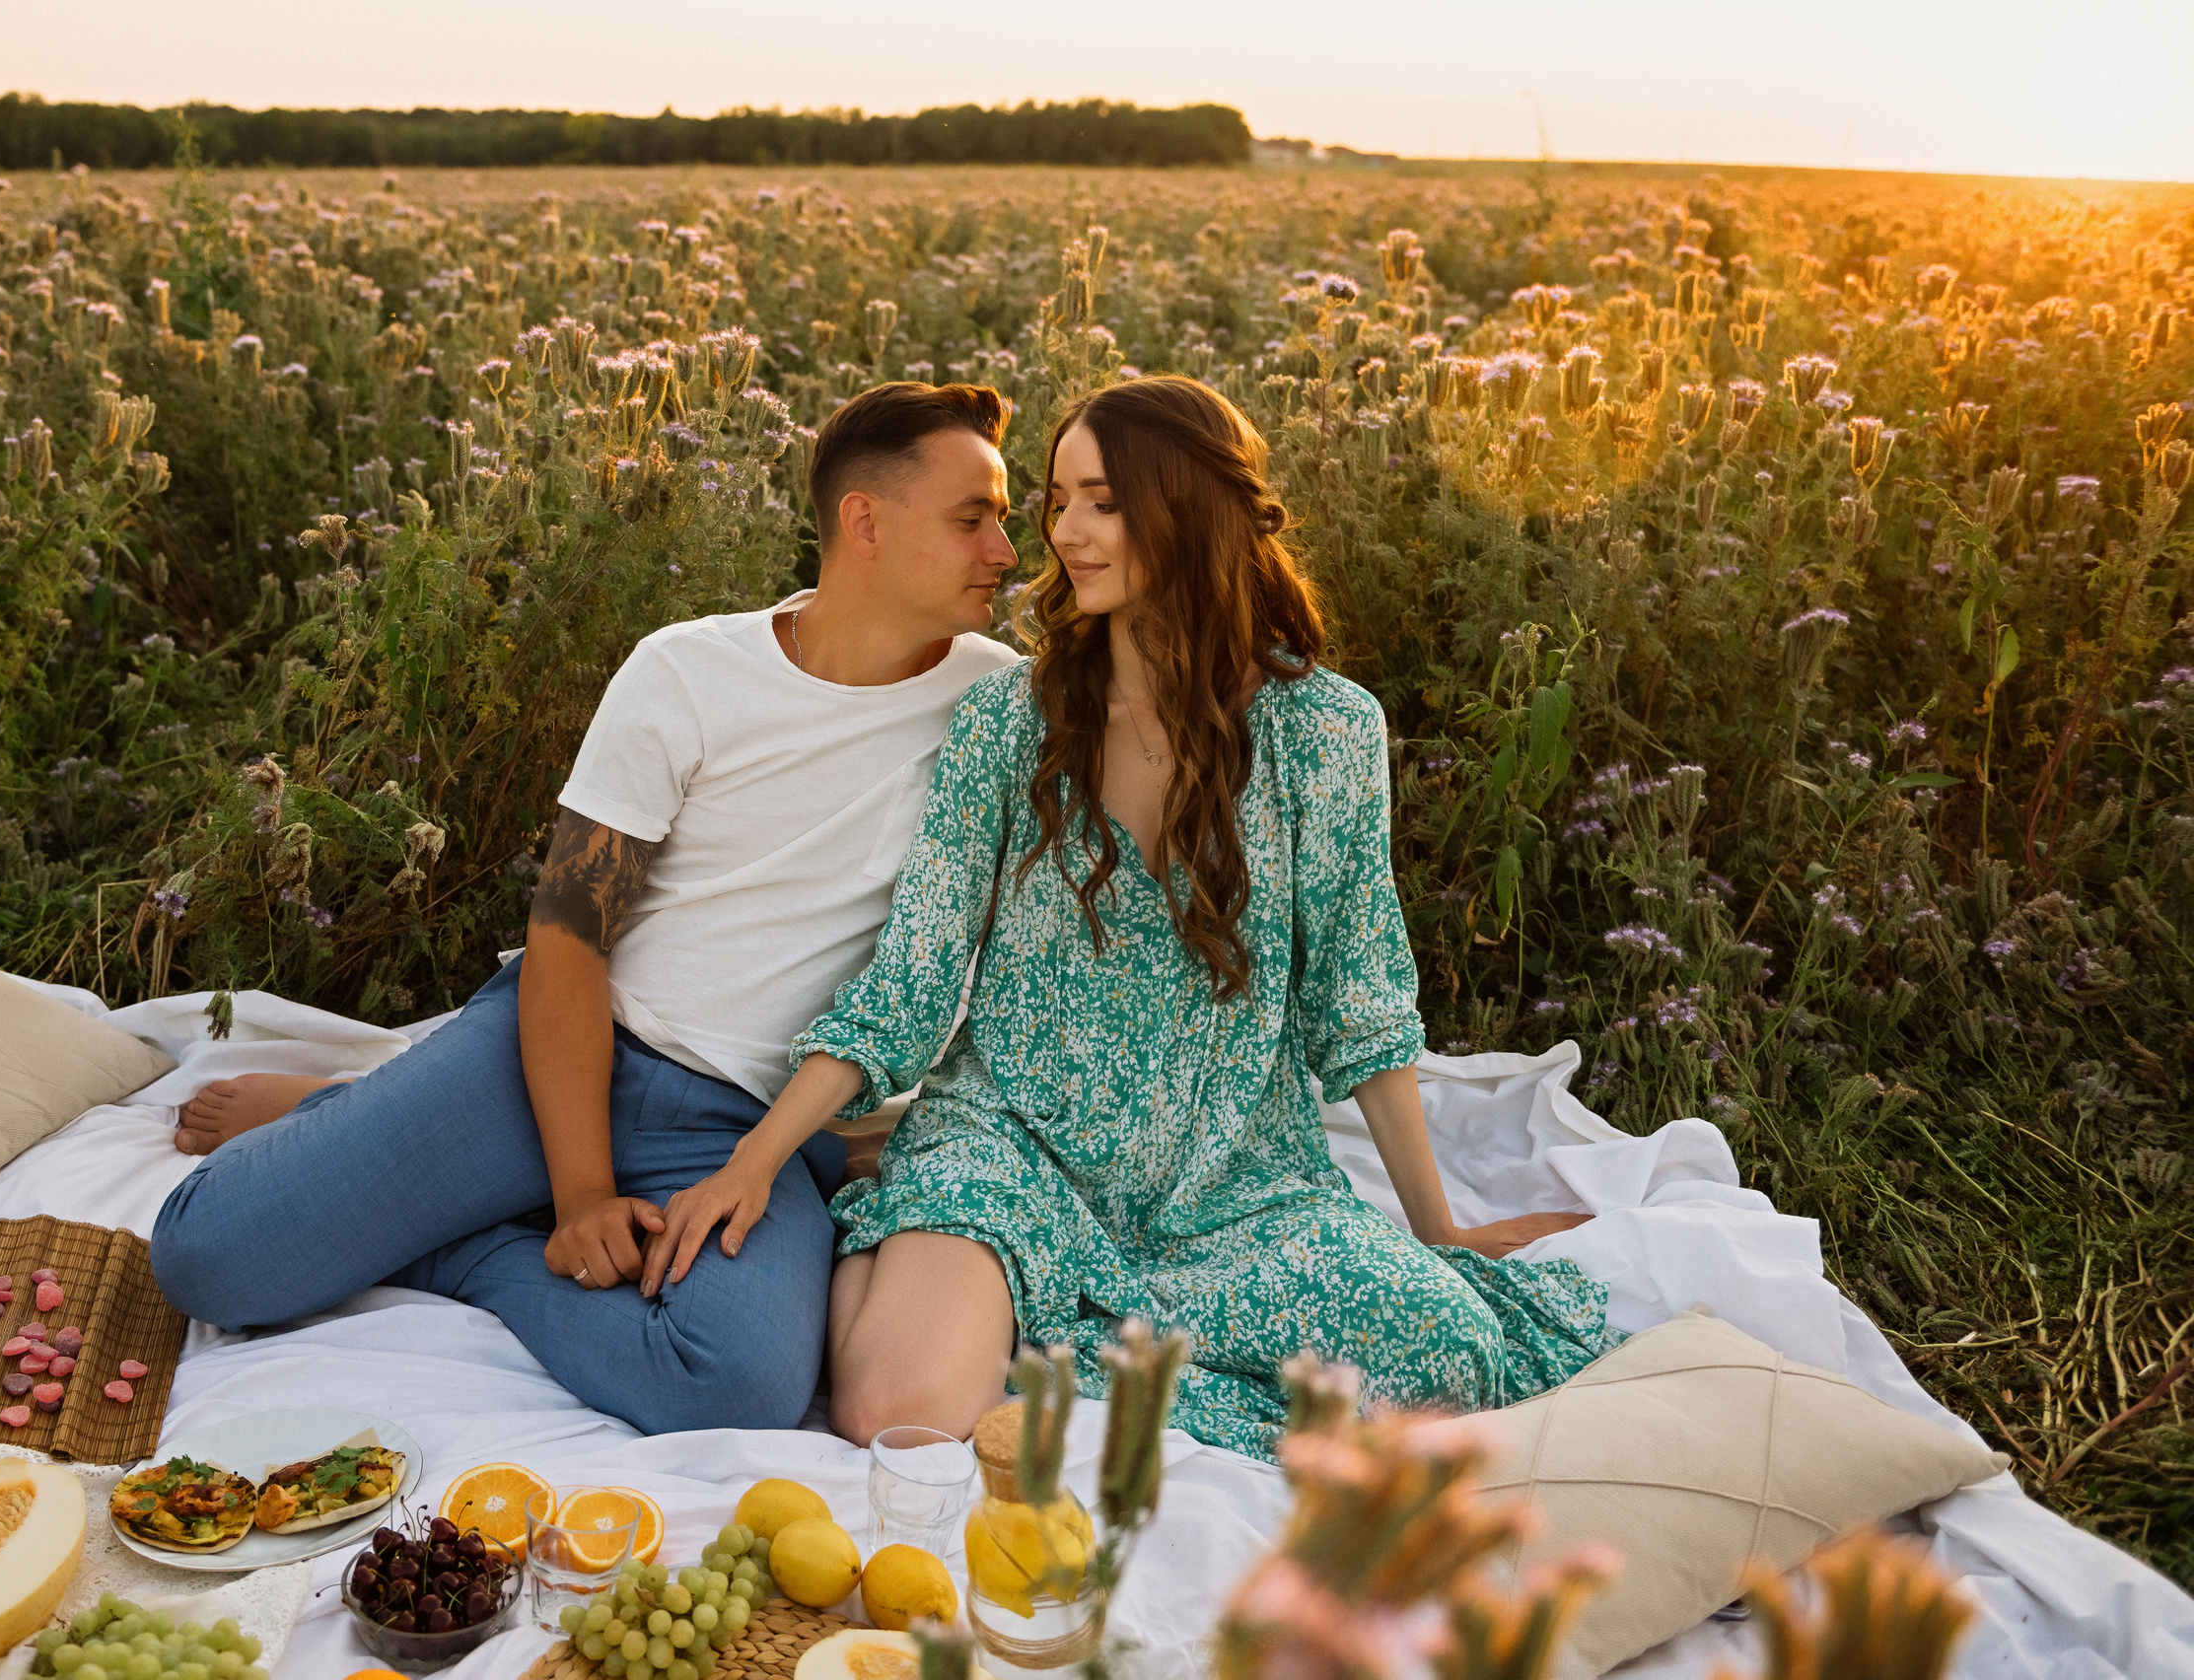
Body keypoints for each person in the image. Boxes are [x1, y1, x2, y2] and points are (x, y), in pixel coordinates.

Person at [633, 376, 1617, 1459]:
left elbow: (1360, 1001)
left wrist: (1440, 1237)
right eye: (1057, 501)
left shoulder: (1324, 729)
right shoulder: (1008, 719)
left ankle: (1021, 1344)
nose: (1062, 533)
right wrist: (755, 1163)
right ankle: (919, 1252)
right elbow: (909, 983)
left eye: (1099, 501)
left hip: (1235, 1186)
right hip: (1010, 1149)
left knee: (1453, 1362)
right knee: (894, 1417)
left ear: (1186, 506)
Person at [147, 382, 1025, 1435]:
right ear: (865, 521)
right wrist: (577, 1201)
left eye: (1007, 521)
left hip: (747, 1129)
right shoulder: (690, 671)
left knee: (735, 1383)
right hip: (568, 1053)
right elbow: (567, 934)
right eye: (974, 519)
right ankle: (394, 1138)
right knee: (210, 1258)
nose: (1006, 552)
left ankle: (462, 1236)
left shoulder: (1001, 707)